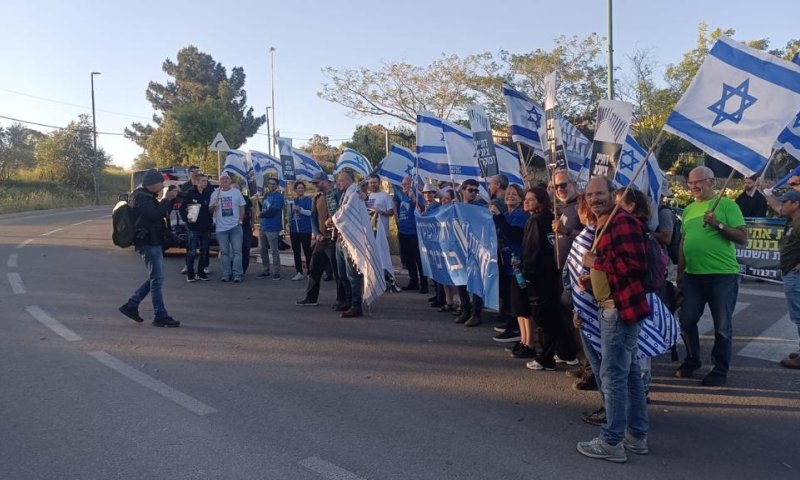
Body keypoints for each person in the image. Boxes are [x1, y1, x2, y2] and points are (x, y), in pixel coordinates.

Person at [577, 176, 650, 463]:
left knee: (614, 376)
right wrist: (592, 278)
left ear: (612, 193)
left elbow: (635, 266)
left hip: (619, 310)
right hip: (613, 305)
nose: (594, 199)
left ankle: (612, 441)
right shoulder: (604, 222)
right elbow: (613, 265)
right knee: (629, 372)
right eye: (590, 194)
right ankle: (637, 434)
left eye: (600, 193)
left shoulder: (622, 222)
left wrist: (596, 264)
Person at [676, 166, 747, 387]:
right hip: (693, 277)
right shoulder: (688, 210)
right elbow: (683, 243)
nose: (694, 186)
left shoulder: (727, 205)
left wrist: (719, 224)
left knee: (722, 327)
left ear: (712, 182)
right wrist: (680, 273)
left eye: (699, 181)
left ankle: (719, 369)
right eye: (690, 182)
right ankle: (692, 359)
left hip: (722, 276)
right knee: (686, 320)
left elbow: (743, 237)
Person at [518, 187, 575, 368]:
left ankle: (545, 358)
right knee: (554, 316)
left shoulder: (535, 221)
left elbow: (531, 251)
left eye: (531, 199)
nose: (526, 202)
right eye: (525, 199)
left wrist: (526, 273)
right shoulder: (551, 219)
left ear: (541, 202)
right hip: (552, 274)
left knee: (543, 318)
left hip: (538, 276)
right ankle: (566, 352)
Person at [119, 169, 180, 328]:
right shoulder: (140, 198)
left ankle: (132, 305)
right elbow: (154, 214)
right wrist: (166, 199)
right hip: (148, 242)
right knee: (157, 279)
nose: (162, 186)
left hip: (153, 241)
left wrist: (170, 199)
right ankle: (160, 315)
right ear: (152, 184)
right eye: (161, 183)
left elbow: (160, 212)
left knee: (155, 277)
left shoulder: (146, 196)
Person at [296, 172, 345, 307]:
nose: (315, 185)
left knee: (338, 271)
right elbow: (313, 217)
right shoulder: (317, 198)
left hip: (335, 239)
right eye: (314, 183)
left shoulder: (337, 194)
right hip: (321, 239)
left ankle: (342, 299)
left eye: (317, 183)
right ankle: (311, 298)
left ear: (325, 181)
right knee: (314, 268)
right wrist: (316, 232)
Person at [490, 185, 528, 345]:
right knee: (507, 296)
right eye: (508, 194)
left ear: (521, 198)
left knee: (516, 299)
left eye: (515, 194)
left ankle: (516, 330)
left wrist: (498, 216)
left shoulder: (521, 214)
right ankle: (510, 323)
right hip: (505, 262)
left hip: (516, 264)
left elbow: (511, 233)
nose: (510, 196)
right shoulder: (507, 213)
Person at [456, 178, 489, 326]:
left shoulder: (481, 208)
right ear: (463, 190)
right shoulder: (456, 208)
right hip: (460, 248)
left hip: (476, 249)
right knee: (460, 280)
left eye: (476, 191)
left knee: (476, 281)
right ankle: (465, 310)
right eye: (470, 190)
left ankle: (476, 313)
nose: (474, 193)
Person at [334, 170, 365, 318]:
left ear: (349, 181)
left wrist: (332, 219)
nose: (338, 183)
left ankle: (356, 305)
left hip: (350, 241)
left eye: (341, 180)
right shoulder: (346, 194)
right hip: (340, 240)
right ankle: (348, 301)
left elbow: (345, 214)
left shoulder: (355, 195)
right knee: (342, 274)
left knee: (352, 275)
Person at [774, 189, 800, 368]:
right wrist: (763, 191)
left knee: (799, 315)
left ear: (795, 204)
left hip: (795, 274)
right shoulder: (792, 220)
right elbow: (775, 206)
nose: (781, 205)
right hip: (790, 271)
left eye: (785, 202)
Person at [210, 173, 246, 283]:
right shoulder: (215, 193)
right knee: (224, 252)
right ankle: (226, 273)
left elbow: (242, 206)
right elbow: (210, 210)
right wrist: (214, 205)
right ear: (219, 181)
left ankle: (237, 274)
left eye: (226, 178)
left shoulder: (236, 192)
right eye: (222, 179)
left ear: (230, 181)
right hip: (221, 228)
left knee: (237, 252)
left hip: (235, 227)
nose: (224, 180)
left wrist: (240, 220)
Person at [394, 176, 428, 293]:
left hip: (414, 232)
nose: (404, 186)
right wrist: (397, 220)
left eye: (407, 184)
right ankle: (413, 281)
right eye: (403, 184)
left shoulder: (417, 195)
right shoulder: (400, 195)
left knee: (418, 259)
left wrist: (414, 198)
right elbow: (396, 207)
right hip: (403, 231)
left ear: (411, 184)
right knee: (408, 260)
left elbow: (422, 209)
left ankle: (424, 284)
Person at [178, 172, 213, 282]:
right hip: (193, 228)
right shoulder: (190, 193)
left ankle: (201, 273)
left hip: (205, 227)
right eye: (203, 181)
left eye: (206, 181)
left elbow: (210, 210)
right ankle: (190, 274)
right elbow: (181, 209)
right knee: (192, 252)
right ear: (197, 182)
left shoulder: (208, 193)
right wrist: (187, 221)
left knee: (204, 252)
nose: (205, 183)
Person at [257, 177, 284, 281]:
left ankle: (276, 272)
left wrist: (261, 214)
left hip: (273, 227)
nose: (271, 185)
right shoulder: (267, 195)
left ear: (276, 185)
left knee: (274, 250)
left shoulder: (279, 197)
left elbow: (273, 211)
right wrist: (257, 201)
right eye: (270, 183)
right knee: (262, 250)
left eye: (273, 184)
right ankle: (265, 270)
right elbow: (264, 208)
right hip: (263, 226)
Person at [289, 181, 313, 281]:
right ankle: (299, 272)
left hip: (305, 230)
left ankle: (310, 272)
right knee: (296, 252)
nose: (300, 190)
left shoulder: (308, 200)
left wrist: (300, 209)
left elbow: (310, 213)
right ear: (295, 190)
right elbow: (289, 214)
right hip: (294, 230)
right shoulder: (293, 201)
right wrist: (290, 208)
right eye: (299, 188)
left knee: (307, 251)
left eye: (302, 188)